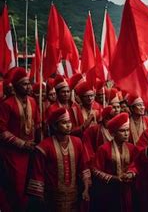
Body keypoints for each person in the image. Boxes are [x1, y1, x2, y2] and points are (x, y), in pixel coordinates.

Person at [26, 107, 91, 211]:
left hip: (74, 197)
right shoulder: (43, 147)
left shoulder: (78, 142)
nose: (68, 125)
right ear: (55, 126)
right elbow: (38, 175)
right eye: (64, 122)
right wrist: (40, 199)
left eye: (69, 122)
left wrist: (86, 189)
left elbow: (83, 168)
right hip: (52, 199)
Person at [0, 67, 40, 211]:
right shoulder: (7, 104)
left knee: (30, 188)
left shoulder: (34, 102)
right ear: (16, 86)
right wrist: (22, 144)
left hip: (31, 152)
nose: (28, 86)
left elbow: (37, 124)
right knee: (16, 187)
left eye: (29, 83)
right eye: (24, 84)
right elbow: (2, 131)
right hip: (13, 154)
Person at [92, 113, 137, 212]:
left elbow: (136, 165)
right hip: (109, 190)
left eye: (127, 130)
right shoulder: (104, 149)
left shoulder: (132, 148)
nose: (126, 133)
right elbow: (95, 170)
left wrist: (130, 173)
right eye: (122, 131)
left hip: (127, 190)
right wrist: (114, 178)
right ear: (114, 133)